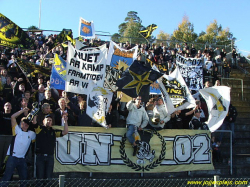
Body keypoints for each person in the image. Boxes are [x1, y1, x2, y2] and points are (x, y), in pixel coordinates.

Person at [1, 108, 36, 183]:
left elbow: (36, 126)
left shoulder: (31, 134)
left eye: (27, 124)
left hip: (22, 159)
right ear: (21, 123)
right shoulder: (17, 130)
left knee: (24, 178)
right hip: (12, 157)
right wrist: (23, 110)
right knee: (7, 177)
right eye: (24, 123)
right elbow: (13, 117)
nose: (25, 125)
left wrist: (34, 115)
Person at [34, 114, 68, 179]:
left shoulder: (53, 131)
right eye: (47, 120)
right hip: (40, 156)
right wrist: (35, 114)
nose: (49, 122)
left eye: (50, 120)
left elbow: (65, 132)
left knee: (49, 177)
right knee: (40, 177)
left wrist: (65, 121)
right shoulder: (39, 129)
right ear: (43, 121)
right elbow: (34, 123)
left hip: (50, 157)